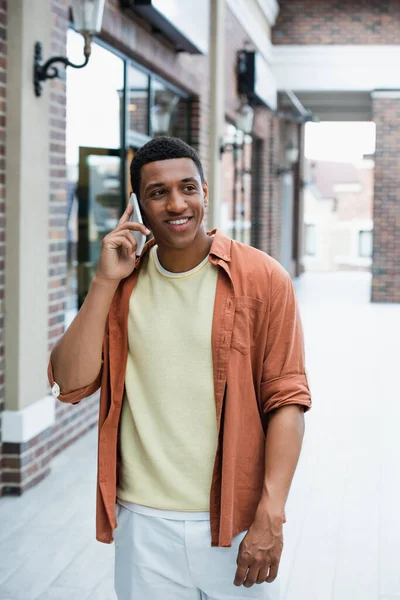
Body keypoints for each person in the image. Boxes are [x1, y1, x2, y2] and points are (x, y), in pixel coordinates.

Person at [48, 136, 311, 600]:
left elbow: (286, 398)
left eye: (187, 187)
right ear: (139, 206)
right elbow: (69, 384)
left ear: (205, 192)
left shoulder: (263, 278)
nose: (176, 204)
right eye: (157, 192)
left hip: (233, 521)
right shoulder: (122, 286)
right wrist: (105, 281)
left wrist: (272, 512)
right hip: (142, 524)